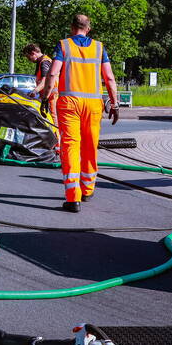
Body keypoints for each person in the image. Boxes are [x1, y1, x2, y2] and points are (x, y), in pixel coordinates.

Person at [39, 14, 119, 213]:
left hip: (69, 103)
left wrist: (46, 97)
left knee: (70, 147)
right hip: (93, 105)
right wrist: (115, 104)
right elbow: (109, 78)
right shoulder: (99, 48)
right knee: (90, 146)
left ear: (71, 27)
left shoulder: (64, 45)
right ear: (88, 29)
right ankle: (88, 189)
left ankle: (73, 198)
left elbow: (53, 72)